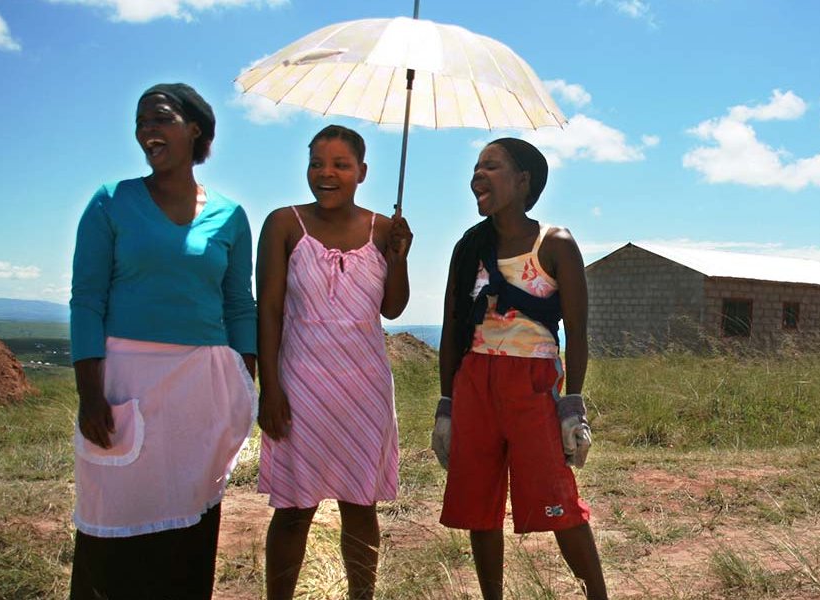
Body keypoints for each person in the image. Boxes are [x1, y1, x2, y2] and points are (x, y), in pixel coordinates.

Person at [69, 82, 257, 599]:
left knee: (191, 518)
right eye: (141, 121)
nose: (146, 130)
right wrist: (89, 392)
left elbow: (240, 305)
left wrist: (243, 385)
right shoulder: (111, 202)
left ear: (194, 128)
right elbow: (86, 299)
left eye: (159, 118)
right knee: (113, 515)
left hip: (202, 386)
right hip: (125, 381)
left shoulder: (230, 216)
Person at [433, 138, 608, 599]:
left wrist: (572, 405)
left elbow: (579, 333)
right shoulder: (469, 247)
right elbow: (452, 330)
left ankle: (598, 596)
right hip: (475, 384)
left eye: (491, 166)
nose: (477, 175)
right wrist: (446, 405)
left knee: (557, 502)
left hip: (533, 386)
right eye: (475, 167)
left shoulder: (555, 245)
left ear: (523, 180)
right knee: (479, 505)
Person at [255, 124, 413, 600]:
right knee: (292, 510)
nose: (327, 173)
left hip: (364, 391)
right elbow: (269, 308)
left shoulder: (383, 229)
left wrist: (400, 256)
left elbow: (392, 308)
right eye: (317, 163)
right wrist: (270, 388)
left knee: (360, 506)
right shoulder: (283, 223)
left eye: (341, 164)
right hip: (299, 386)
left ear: (362, 172)